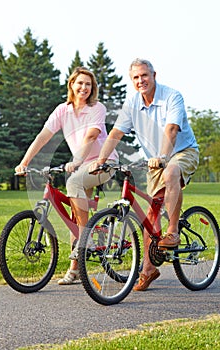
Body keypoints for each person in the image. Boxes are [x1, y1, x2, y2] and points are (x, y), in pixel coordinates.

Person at [89, 58, 199, 291]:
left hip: (182, 152)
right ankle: (148, 269)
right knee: (150, 217)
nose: (141, 81)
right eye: (136, 77)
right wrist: (100, 161)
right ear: (132, 81)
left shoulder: (172, 96)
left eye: (144, 76)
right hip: (154, 162)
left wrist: (163, 156)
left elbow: (171, 129)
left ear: (154, 75)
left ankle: (173, 232)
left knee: (171, 171)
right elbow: (116, 134)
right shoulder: (131, 105)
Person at [15, 66, 118, 285]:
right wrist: (24, 162)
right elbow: (43, 137)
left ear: (93, 88)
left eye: (88, 84)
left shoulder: (97, 108)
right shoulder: (63, 110)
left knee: (73, 182)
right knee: (75, 214)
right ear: (71, 84)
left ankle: (85, 240)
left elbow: (91, 137)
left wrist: (78, 161)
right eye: (80, 83)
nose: (84, 88)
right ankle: (75, 270)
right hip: (81, 165)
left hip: (103, 162)